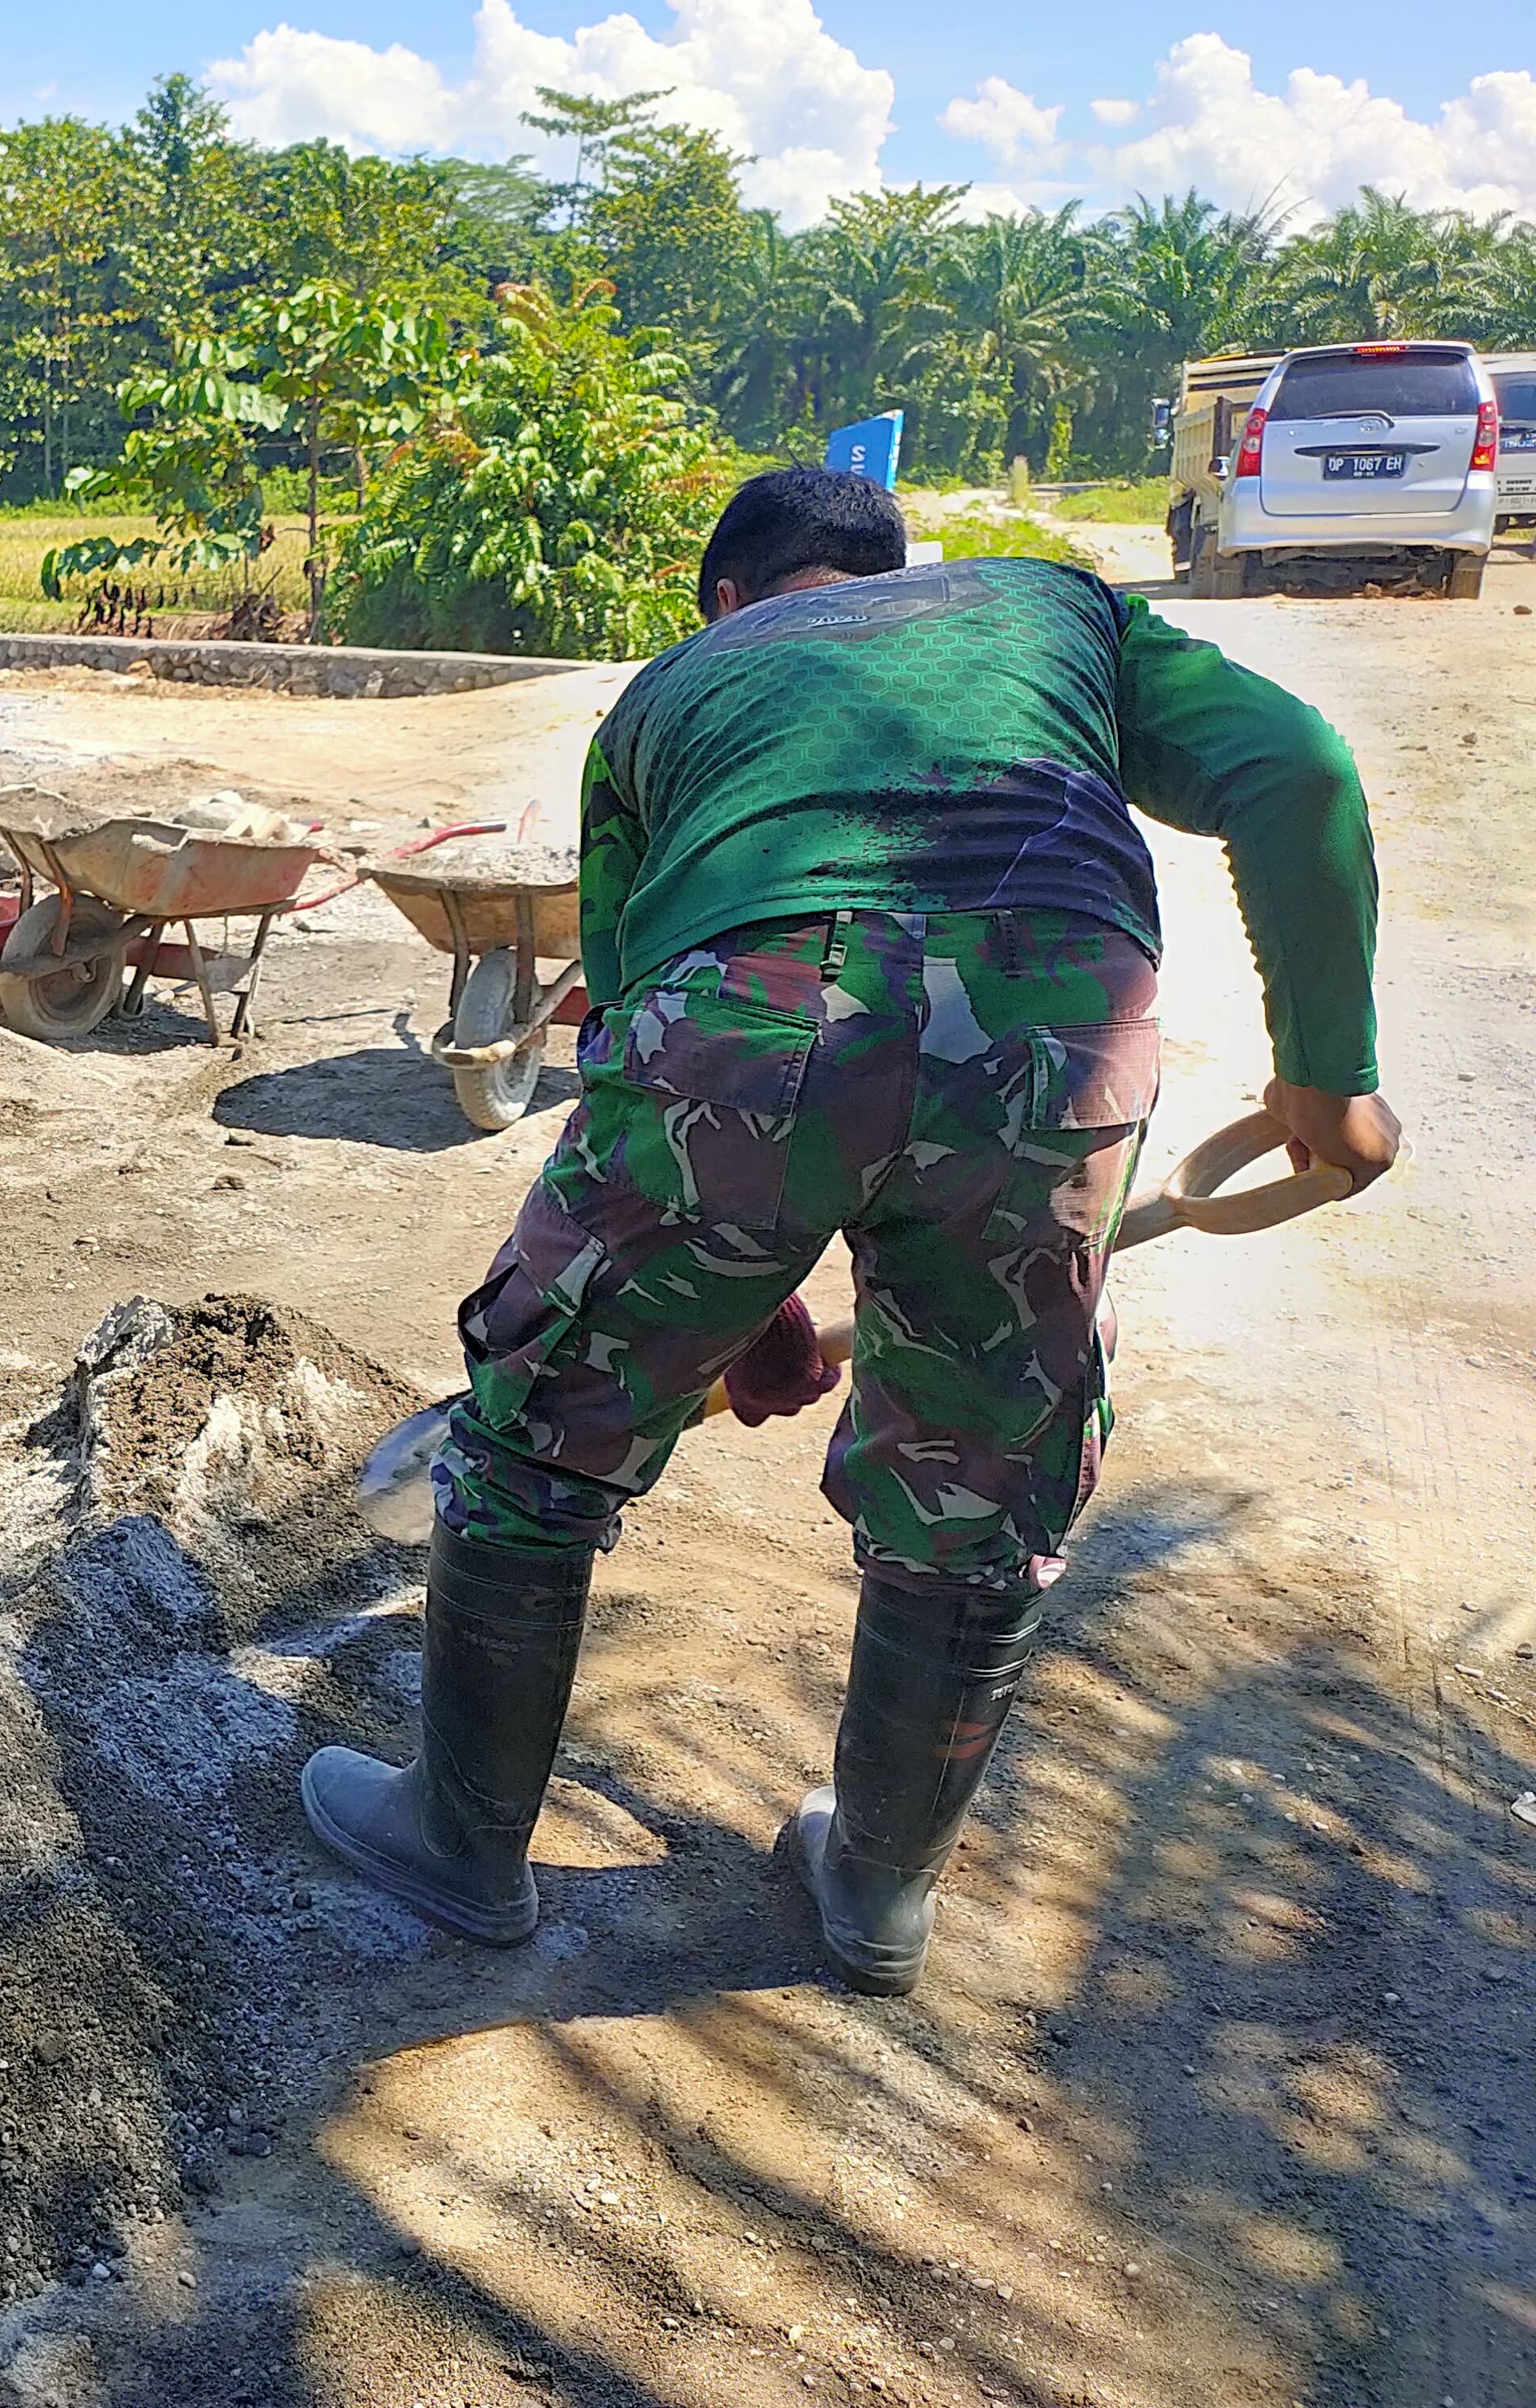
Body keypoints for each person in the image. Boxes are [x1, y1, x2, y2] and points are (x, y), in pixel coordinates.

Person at [301, 468, 1402, 1995]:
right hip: (1057, 1019)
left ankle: (459, 1841)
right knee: (978, 1471)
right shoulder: (1052, 606)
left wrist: (723, 1306)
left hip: (748, 1013)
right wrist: (1327, 1076)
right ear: (890, 565)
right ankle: (879, 1893)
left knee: (538, 1429)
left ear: (731, 602)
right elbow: (1300, 771)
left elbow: (637, 1039)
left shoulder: (668, 695)